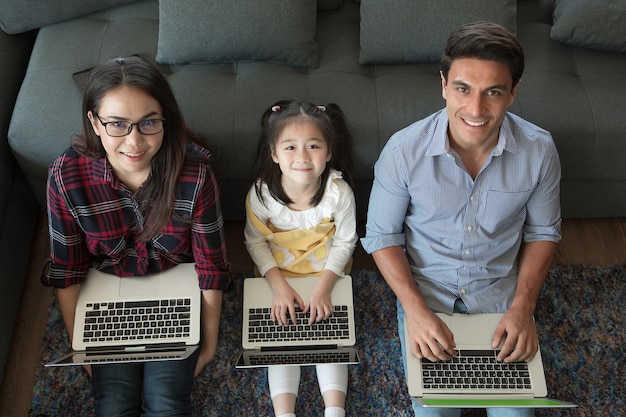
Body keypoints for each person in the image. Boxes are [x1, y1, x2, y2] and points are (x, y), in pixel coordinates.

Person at [361, 22, 562, 417]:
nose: (475, 110)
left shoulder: (540, 152)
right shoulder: (403, 152)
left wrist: (523, 306)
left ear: (513, 93)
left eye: (493, 92)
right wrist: (415, 313)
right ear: (443, 84)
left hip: (500, 298)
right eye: (463, 89)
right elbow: (382, 237)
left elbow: (543, 232)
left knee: (518, 413)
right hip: (427, 297)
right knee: (435, 410)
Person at [41, 56, 231, 417]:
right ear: (94, 123)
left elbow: (211, 267)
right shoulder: (66, 178)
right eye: (117, 124)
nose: (134, 141)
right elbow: (67, 269)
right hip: (106, 289)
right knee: (112, 405)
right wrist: (79, 344)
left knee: (166, 403)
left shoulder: (196, 174)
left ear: (165, 120)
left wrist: (207, 342)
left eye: (148, 123)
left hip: (176, 287)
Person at [244, 100, 358, 417]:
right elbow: (254, 242)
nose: (302, 157)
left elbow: (347, 241)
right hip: (278, 276)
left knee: (331, 340)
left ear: (329, 151)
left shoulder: (339, 193)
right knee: (281, 344)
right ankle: (285, 413)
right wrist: (279, 287)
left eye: (313, 146)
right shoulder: (261, 194)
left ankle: (335, 410)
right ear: (274, 153)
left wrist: (323, 288)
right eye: (291, 147)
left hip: (327, 275)